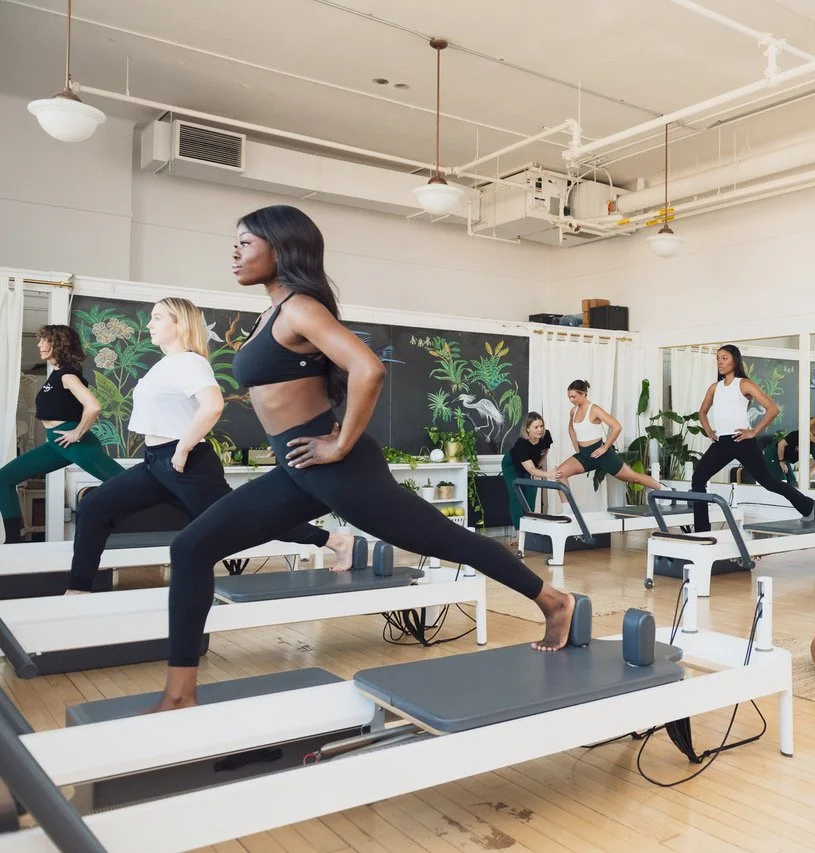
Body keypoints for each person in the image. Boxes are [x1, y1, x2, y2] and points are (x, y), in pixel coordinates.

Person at [151, 204, 577, 712]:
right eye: (235, 242)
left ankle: (553, 599)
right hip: (296, 468)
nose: (235, 251)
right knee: (192, 548)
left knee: (448, 541)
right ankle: (180, 695)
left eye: (246, 241)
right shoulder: (272, 311)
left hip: (336, 467)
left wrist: (340, 443)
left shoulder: (300, 308)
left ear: (282, 247)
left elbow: (367, 369)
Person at [65, 298, 352, 594]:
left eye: (158, 317)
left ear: (180, 324)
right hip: (156, 463)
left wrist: (183, 447)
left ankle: (336, 541)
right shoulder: (164, 365)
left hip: (187, 466)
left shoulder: (190, 362)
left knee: (247, 522)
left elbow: (213, 406)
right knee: (95, 506)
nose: (150, 324)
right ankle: (78, 589)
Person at [1, 325, 124, 543]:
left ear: (58, 344)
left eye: (44, 340)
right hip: (55, 444)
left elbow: (93, 406)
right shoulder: (56, 375)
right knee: (3, 479)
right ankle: (13, 542)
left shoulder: (67, 375)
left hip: (74, 443)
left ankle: (181, 506)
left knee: (129, 484)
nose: (39, 344)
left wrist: (77, 433)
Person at [690, 345, 815, 532]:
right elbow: (702, 412)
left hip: (743, 441)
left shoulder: (744, 384)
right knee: (698, 479)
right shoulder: (714, 388)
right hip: (722, 443)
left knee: (768, 482)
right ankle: (702, 532)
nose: (719, 362)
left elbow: (772, 408)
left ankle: (807, 505)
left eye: (724, 358)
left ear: (735, 360)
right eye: (717, 358)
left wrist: (754, 432)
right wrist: (709, 430)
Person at [552, 380, 663, 492]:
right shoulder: (573, 411)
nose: (571, 400)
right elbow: (571, 427)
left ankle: (664, 489)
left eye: (573, 397)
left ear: (584, 393)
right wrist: (576, 445)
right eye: (569, 397)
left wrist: (604, 448)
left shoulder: (594, 409)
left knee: (633, 478)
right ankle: (567, 509)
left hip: (602, 455)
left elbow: (617, 426)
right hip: (584, 455)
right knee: (559, 474)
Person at [502, 411, 553, 542]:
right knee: (516, 497)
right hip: (512, 467)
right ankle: (519, 533)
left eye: (541, 426)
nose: (540, 430)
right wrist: (549, 474)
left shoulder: (545, 435)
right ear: (527, 429)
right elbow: (530, 469)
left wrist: (539, 466)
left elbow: (545, 449)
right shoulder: (522, 445)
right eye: (536, 427)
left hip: (530, 465)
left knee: (531, 495)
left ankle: (529, 529)